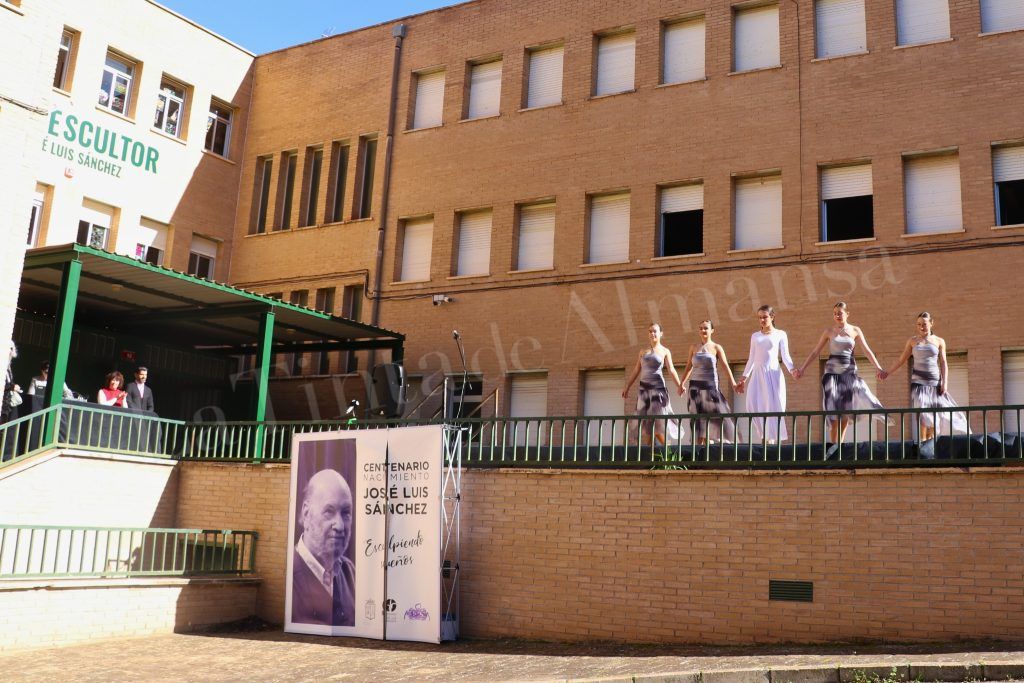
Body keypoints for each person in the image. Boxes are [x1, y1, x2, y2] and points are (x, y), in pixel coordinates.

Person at [796, 301, 886, 444]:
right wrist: (802, 368)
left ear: (847, 314)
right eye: (835, 314)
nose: (837, 316)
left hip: (848, 374)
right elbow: (815, 352)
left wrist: (878, 367)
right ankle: (833, 444)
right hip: (832, 374)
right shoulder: (829, 331)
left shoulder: (855, 330)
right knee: (833, 411)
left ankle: (840, 445)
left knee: (845, 412)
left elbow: (867, 350)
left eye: (840, 313)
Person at [880, 311, 968, 440]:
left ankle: (930, 442)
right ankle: (922, 441)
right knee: (924, 414)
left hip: (935, 383)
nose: (921, 327)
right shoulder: (912, 341)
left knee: (934, 417)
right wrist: (887, 372)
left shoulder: (939, 341)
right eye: (919, 324)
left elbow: (943, 362)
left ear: (931, 323)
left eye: (924, 324)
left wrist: (945, 382)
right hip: (918, 384)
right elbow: (901, 360)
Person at [292, 469, 356, 627]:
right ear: (306, 514)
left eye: (346, 513)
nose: (340, 526)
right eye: (329, 511)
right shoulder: (288, 574)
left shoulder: (351, 572)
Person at [736, 305, 799, 444]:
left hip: (773, 374)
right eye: (759, 317)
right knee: (751, 405)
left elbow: (785, 356)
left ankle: (772, 443)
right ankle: (764, 436)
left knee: (773, 408)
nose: (762, 320)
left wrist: (792, 369)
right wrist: (744, 378)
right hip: (757, 375)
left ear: (772, 317)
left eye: (765, 317)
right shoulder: (755, 336)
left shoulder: (780, 334)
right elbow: (752, 358)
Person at [622, 322, 683, 445]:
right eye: (650, 331)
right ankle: (651, 451)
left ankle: (667, 448)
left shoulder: (665, 351)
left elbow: (671, 370)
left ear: (661, 334)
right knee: (647, 423)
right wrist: (627, 387)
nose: (652, 333)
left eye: (655, 331)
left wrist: (679, 385)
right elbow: (636, 370)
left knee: (657, 421)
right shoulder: (643, 351)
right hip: (644, 390)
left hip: (658, 390)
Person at [679, 320, 738, 444]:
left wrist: (733, 383)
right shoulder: (694, 347)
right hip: (695, 388)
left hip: (710, 388)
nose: (703, 330)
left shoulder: (716, 347)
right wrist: (681, 383)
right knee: (698, 421)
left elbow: (726, 366)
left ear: (712, 330)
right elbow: (689, 367)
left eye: (706, 328)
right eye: (701, 328)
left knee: (715, 416)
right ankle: (698, 449)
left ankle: (720, 444)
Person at [2, 340, 21, 424]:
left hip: (6, 404)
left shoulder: (8, 367)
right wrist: (11, 387)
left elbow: (8, 382)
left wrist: (13, 386)